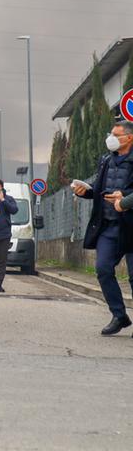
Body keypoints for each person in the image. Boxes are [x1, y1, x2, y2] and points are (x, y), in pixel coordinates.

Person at [73, 120, 133, 336]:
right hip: (108, 226)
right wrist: (86, 192)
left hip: (130, 225)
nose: (111, 139)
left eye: (116, 135)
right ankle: (119, 315)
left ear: (129, 138)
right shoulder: (106, 160)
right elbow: (99, 189)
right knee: (103, 269)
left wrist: (124, 198)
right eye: (111, 134)